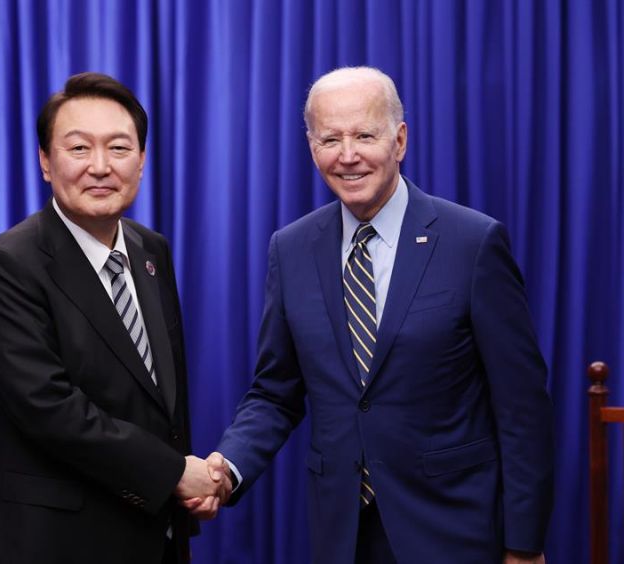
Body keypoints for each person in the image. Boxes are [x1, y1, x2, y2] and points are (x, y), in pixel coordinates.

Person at [203, 67, 554, 563]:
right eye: (330, 139)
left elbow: (522, 407)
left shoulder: (472, 243)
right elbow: (275, 392)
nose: (348, 155)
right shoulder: (293, 248)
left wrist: (525, 543)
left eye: (364, 135)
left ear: (400, 140)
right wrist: (227, 467)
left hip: (455, 530)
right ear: (311, 147)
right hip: (342, 535)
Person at [0, 72, 226, 564]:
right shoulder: (10, 265)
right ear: (46, 161)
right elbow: (50, 410)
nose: (100, 167)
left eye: (119, 148)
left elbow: (163, 401)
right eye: (79, 148)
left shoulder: (152, 250)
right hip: (50, 541)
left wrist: (183, 495)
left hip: (149, 531)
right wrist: (172, 472)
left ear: (142, 161)